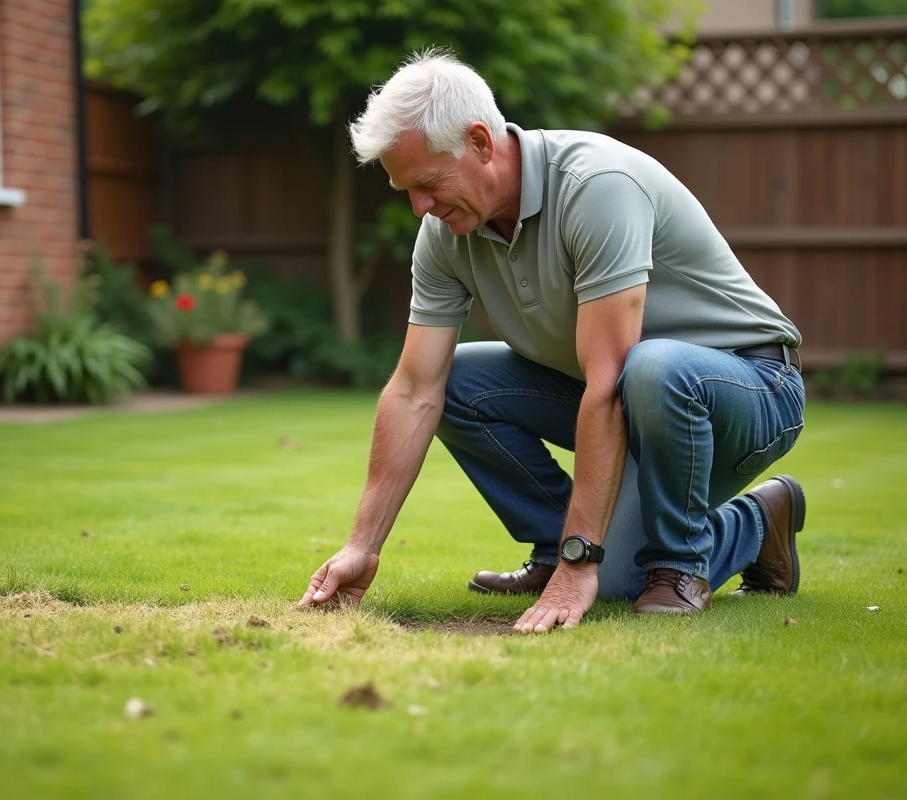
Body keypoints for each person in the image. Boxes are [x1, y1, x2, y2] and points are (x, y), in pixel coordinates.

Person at [298, 51, 807, 633]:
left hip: (748, 389)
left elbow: (609, 380)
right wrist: (362, 545)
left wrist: (582, 560)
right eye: (405, 190)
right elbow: (415, 390)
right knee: (454, 381)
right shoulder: (444, 233)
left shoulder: (596, 188)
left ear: (480, 142)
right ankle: (552, 545)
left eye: (429, 184)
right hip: (632, 396)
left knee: (648, 386)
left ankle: (716, 544)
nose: (420, 208)